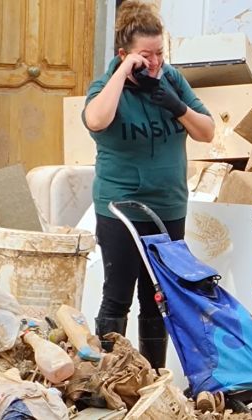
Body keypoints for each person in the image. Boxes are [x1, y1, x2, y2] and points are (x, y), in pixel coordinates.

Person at [82, 0, 214, 369]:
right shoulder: (107, 85)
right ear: (125, 54)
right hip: (120, 209)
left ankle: (154, 378)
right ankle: (112, 379)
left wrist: (178, 107)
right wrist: (123, 72)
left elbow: (207, 132)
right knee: (117, 296)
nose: (155, 61)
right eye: (146, 54)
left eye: (160, 52)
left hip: (168, 207)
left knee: (159, 298)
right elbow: (95, 119)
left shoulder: (171, 80)